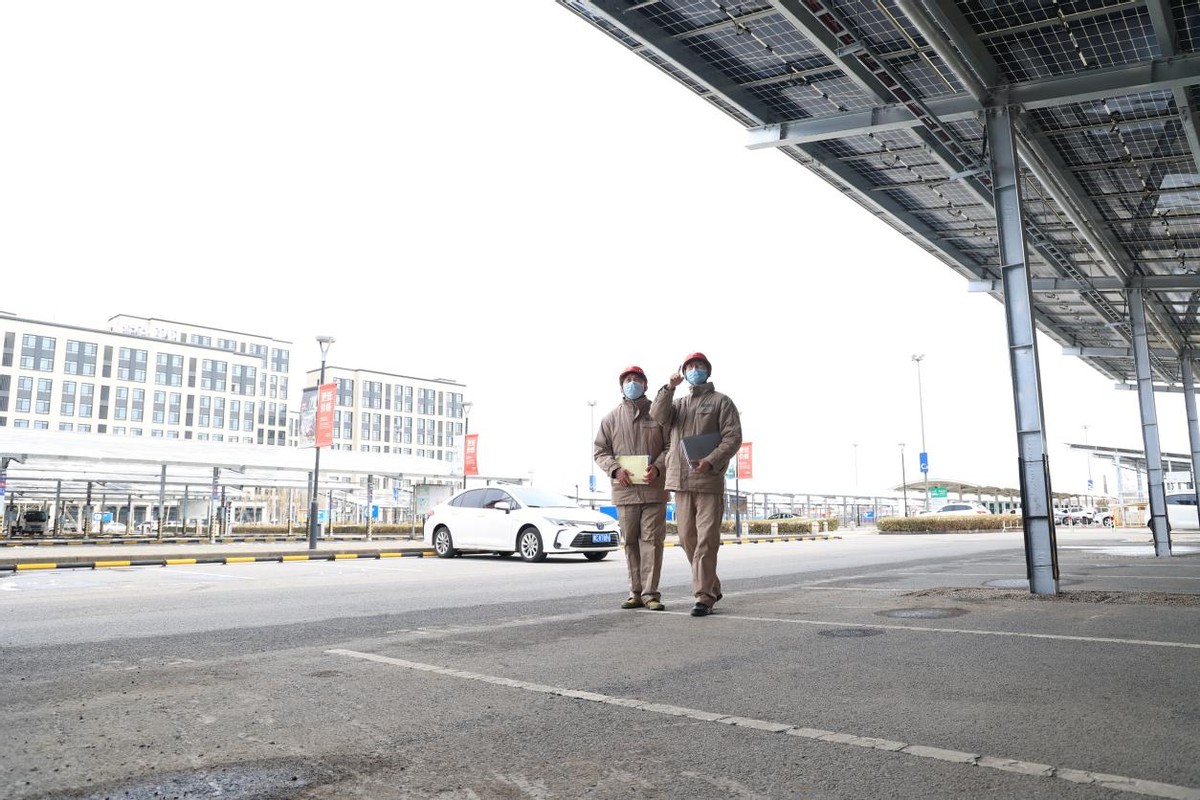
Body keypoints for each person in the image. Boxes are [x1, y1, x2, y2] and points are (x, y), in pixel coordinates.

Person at [650, 352, 742, 617]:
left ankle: (703, 597)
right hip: (680, 480)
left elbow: (732, 437)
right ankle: (711, 585)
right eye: (690, 366)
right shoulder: (677, 403)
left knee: (706, 540)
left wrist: (711, 461)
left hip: (708, 481)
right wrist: (669, 387)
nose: (694, 369)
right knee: (685, 538)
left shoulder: (721, 402)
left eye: (699, 366)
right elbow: (657, 415)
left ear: (708, 371)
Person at [594, 365, 671, 611]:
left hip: (654, 489)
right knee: (630, 543)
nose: (632, 382)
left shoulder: (659, 415)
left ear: (646, 385)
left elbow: (671, 446)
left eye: (637, 379)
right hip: (625, 491)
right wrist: (615, 469)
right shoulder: (610, 418)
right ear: (621, 386)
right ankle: (634, 592)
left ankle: (650, 594)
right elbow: (600, 450)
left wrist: (658, 467)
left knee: (652, 542)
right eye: (628, 379)